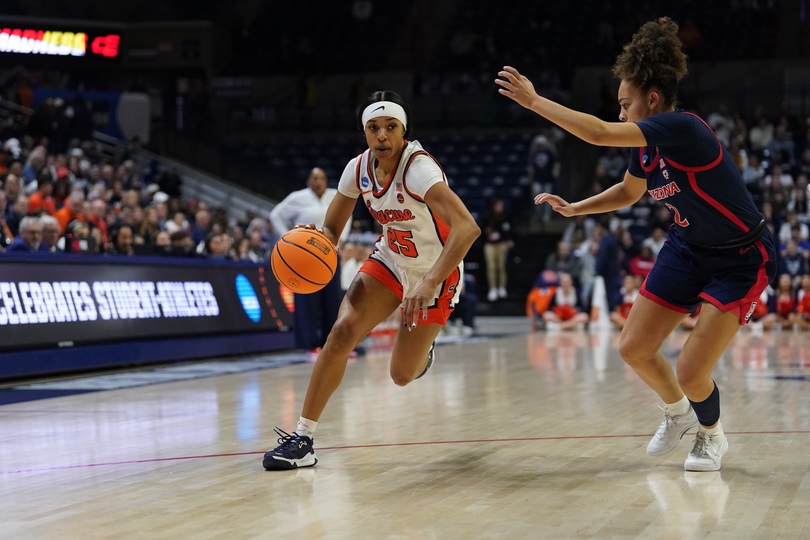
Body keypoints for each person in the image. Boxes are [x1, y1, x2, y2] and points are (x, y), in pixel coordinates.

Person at [496, 17, 777, 471]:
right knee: (633, 347)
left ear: (652, 99)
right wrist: (576, 208)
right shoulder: (645, 147)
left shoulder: (684, 129)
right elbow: (630, 192)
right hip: (687, 248)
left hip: (741, 258)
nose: (622, 114)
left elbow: (600, 133)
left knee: (690, 370)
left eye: (626, 104)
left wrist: (535, 102)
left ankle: (711, 435)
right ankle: (677, 413)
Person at [262, 90, 480, 470]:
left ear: (403, 131)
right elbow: (332, 228)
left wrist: (430, 281)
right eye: (374, 128)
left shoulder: (419, 169)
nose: (382, 136)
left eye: (390, 127)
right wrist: (316, 240)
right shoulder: (357, 168)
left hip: (437, 271)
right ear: (365, 133)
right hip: (391, 261)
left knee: (400, 375)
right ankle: (303, 437)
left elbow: (468, 228)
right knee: (342, 332)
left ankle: (421, 354)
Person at [270, 167, 350, 355]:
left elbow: (347, 214)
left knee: (333, 300)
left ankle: (332, 344)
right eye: (314, 178)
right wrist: (287, 240)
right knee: (307, 300)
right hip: (303, 257)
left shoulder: (334, 195)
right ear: (308, 181)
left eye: (321, 178)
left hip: (329, 254)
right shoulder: (298, 197)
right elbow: (275, 215)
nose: (318, 181)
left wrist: (342, 241)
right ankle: (309, 345)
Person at [481, 198, 513, 301]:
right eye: (498, 206)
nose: (500, 208)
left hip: (501, 244)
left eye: (501, 206)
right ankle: (493, 288)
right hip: (490, 244)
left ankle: (502, 287)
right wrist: (488, 232)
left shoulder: (505, 217)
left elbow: (508, 230)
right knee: (491, 266)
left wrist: (509, 240)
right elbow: (482, 230)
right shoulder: (487, 216)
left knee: (501, 266)